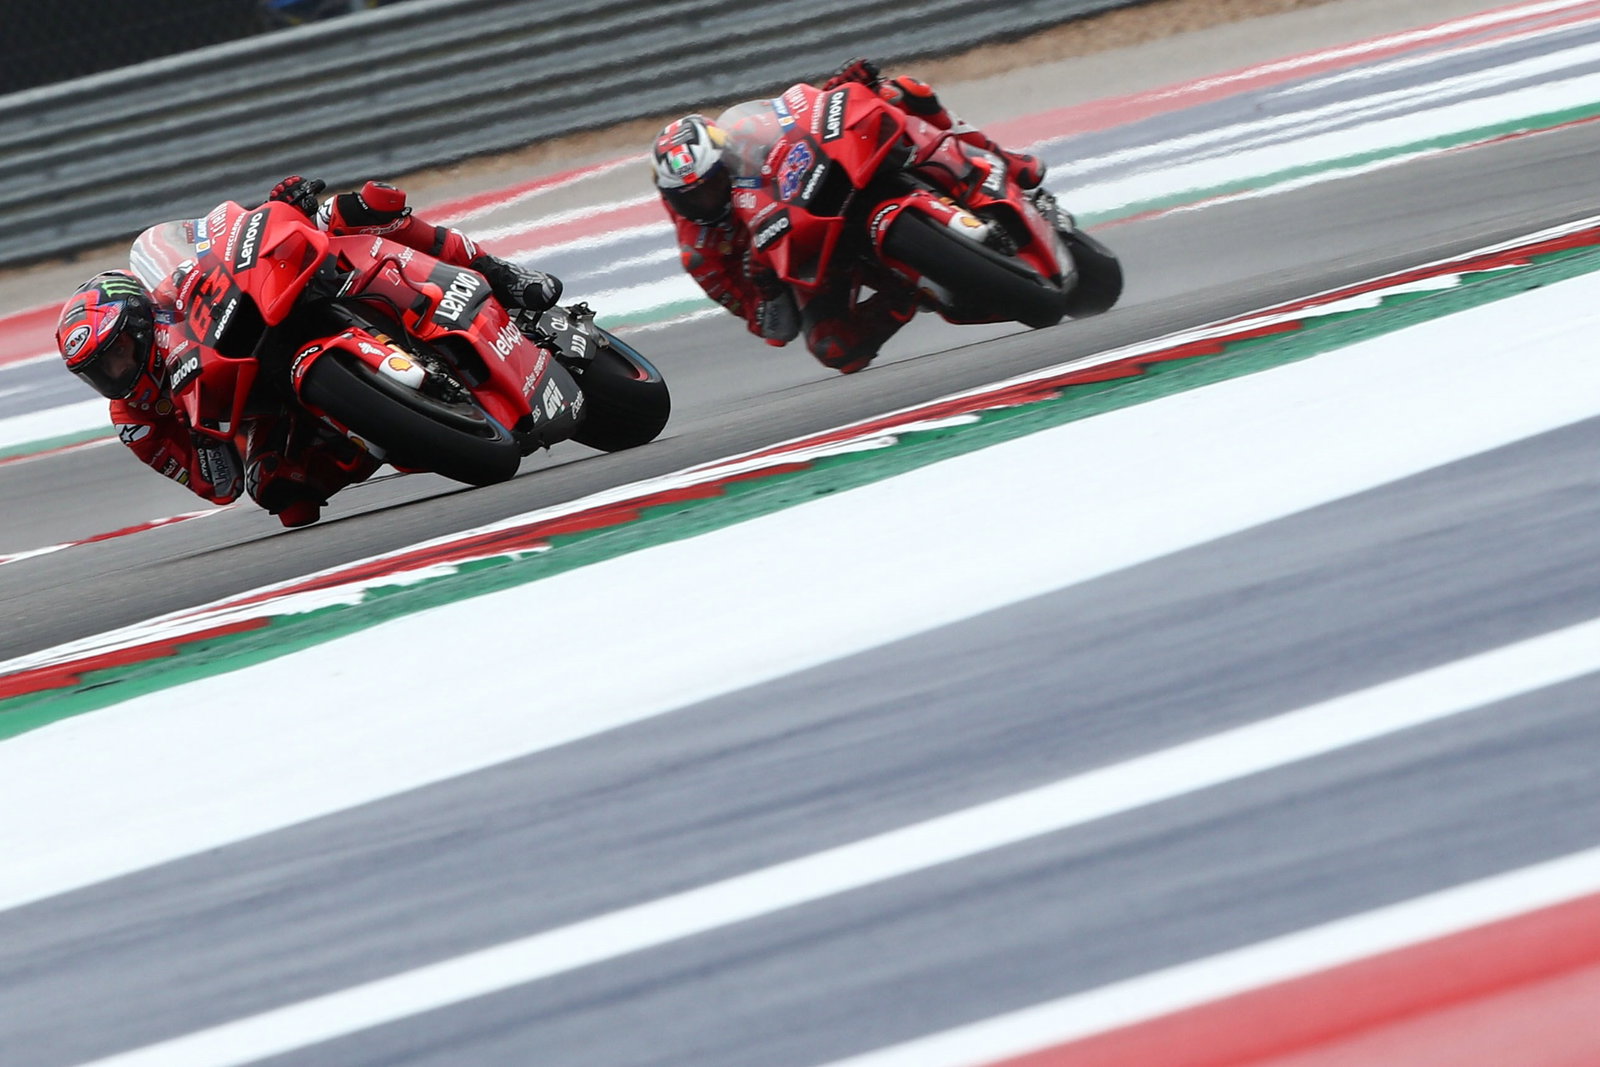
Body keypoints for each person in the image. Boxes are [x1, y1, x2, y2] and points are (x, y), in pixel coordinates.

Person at [55, 176, 562, 528]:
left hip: (279, 310)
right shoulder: (137, 419)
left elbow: (217, 244)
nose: (116, 373)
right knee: (280, 494)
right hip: (268, 411)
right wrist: (204, 436)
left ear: (142, 320)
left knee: (350, 212)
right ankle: (379, 431)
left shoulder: (173, 292)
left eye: (119, 352)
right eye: (101, 371)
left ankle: (498, 272)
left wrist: (279, 210)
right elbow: (219, 487)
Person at [652, 57, 1044, 374]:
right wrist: (767, 287)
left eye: (713, 183)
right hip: (810, 258)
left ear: (726, 158)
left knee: (899, 90)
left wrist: (835, 92)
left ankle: (1004, 160)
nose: (708, 199)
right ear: (672, 199)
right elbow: (773, 328)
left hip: (817, 190)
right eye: (694, 197)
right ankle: (907, 291)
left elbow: (794, 118)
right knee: (836, 348)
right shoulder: (701, 255)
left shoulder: (745, 131)